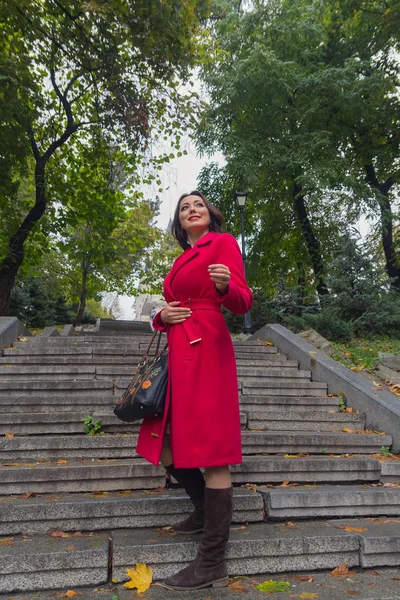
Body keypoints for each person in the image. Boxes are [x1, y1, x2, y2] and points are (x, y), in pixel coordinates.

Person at [136, 190, 253, 591]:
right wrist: (160, 316)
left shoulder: (222, 243)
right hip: (178, 352)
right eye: (184, 207)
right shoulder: (178, 260)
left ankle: (212, 561)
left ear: (210, 214)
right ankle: (202, 507)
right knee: (163, 440)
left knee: (213, 451)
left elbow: (242, 300)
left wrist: (224, 287)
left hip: (207, 348)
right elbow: (170, 304)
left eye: (198, 204)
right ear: (179, 221)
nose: (192, 209)